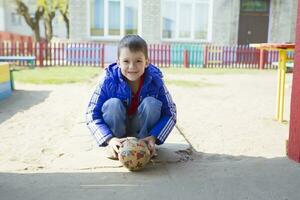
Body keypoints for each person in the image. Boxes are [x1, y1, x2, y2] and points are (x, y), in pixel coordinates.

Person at [86, 35, 176, 160]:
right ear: (118, 62)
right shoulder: (108, 80)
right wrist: (109, 139)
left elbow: (170, 113)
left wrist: (154, 136)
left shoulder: (156, 81)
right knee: (113, 104)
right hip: (116, 133)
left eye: (138, 61)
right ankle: (116, 146)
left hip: (141, 132)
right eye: (126, 61)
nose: (132, 67)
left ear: (146, 62)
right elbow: (91, 113)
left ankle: (144, 146)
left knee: (152, 103)